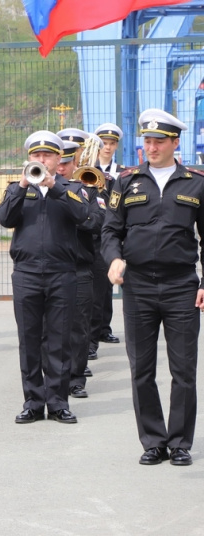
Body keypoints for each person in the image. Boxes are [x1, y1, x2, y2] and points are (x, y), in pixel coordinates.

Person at [101, 109, 204, 466]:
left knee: (183, 370)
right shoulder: (127, 182)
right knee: (141, 368)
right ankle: (153, 441)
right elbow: (110, 230)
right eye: (147, 141)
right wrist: (113, 259)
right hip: (138, 286)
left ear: (176, 143)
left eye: (159, 141)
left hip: (181, 286)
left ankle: (179, 443)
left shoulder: (196, 182)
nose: (152, 147)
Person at [0, 130, 91, 425]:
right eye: (36, 156)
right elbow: (4, 219)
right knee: (29, 338)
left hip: (62, 272)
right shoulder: (17, 189)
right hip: (26, 273)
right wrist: (23, 185)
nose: (41, 160)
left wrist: (56, 189)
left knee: (59, 339)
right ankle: (33, 402)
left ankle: (58, 401)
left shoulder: (71, 188)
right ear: (29, 158)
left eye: (47, 155)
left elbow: (87, 218)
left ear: (57, 159)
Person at [54, 134, 105, 400]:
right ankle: (52, 378)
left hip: (79, 266)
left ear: (74, 162)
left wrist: (73, 205)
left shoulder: (89, 190)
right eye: (57, 162)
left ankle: (76, 378)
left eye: (65, 163)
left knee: (79, 326)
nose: (60, 168)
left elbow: (98, 222)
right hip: (51, 267)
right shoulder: (40, 187)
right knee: (48, 327)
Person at [89, 122, 124, 355]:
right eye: (104, 144)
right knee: (92, 286)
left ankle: (104, 327)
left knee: (106, 283)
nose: (108, 148)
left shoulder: (121, 171)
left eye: (112, 144)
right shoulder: (88, 168)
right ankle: (92, 333)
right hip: (91, 231)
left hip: (109, 232)